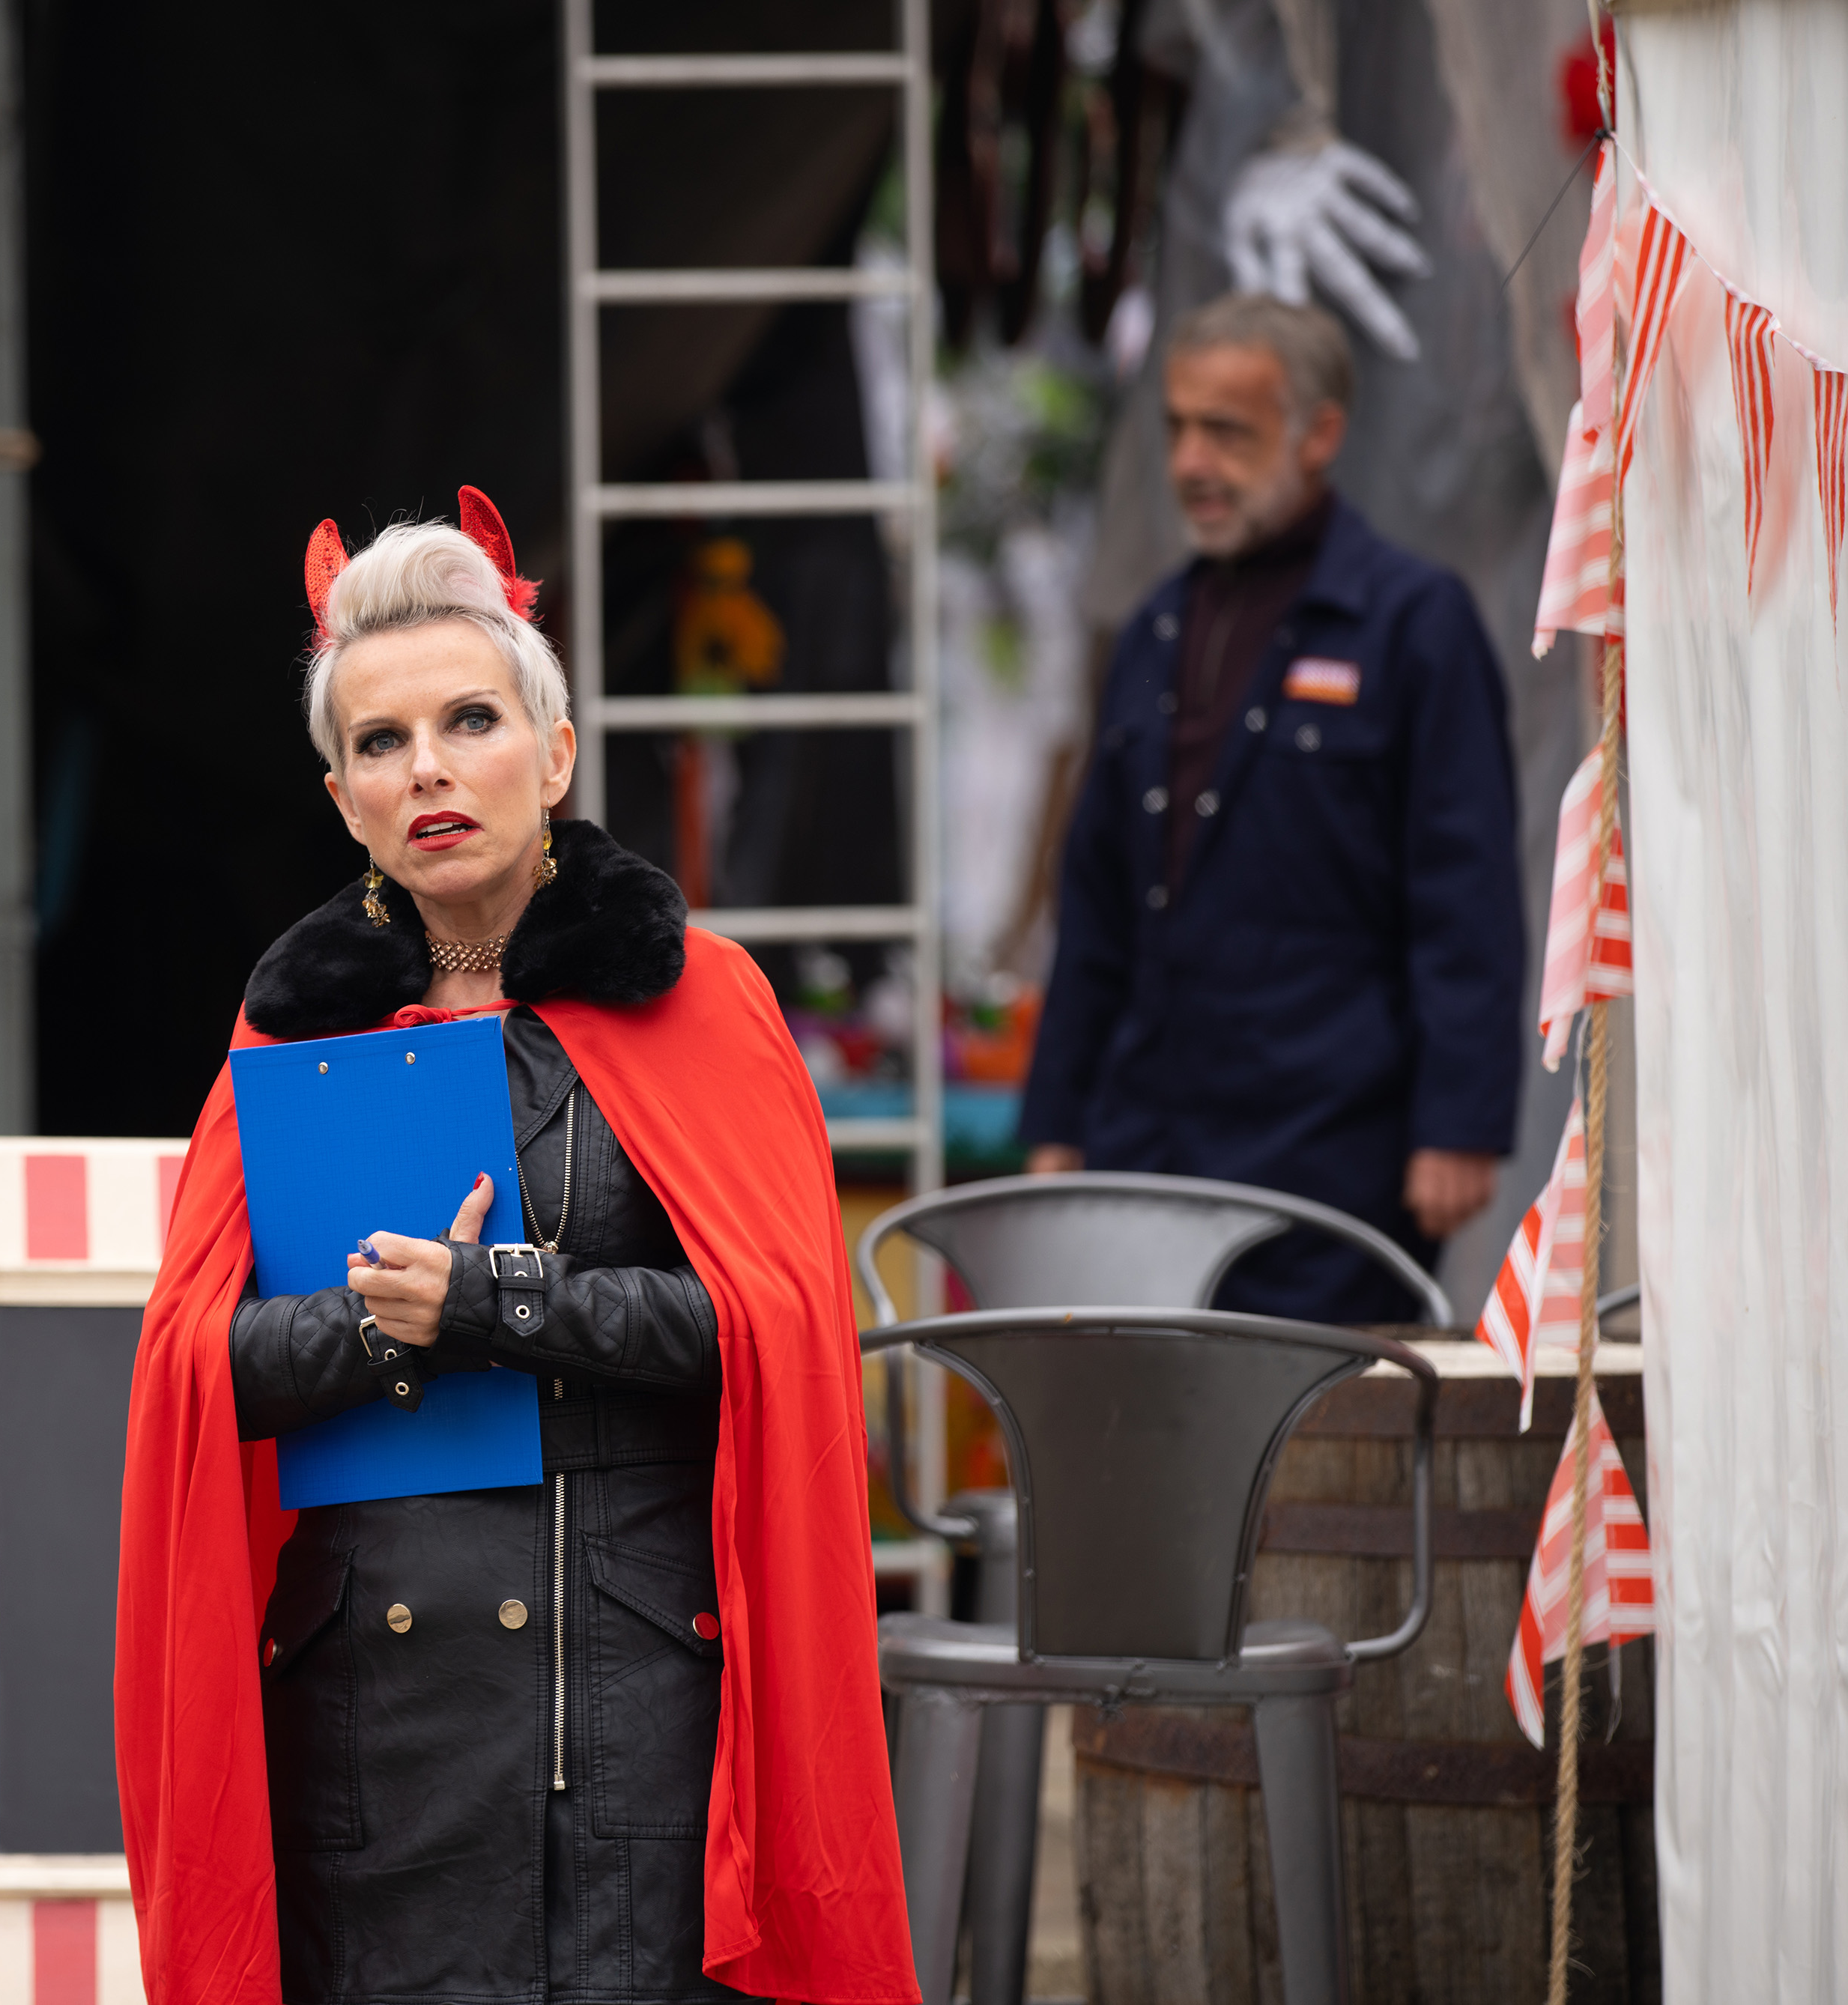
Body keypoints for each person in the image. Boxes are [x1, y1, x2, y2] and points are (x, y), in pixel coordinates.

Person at [115, 492, 914, 2005]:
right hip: (374, 1718)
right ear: (344, 798)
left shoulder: (705, 1001)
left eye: (469, 720)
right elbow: (195, 1370)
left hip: (630, 1697)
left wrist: (501, 1300)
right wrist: (383, 1322)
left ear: (553, 755)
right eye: (381, 741)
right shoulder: (289, 1035)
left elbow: (773, 1327)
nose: (427, 766)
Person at [1021, 294, 1524, 1321]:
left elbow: (1465, 893)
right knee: (1152, 1413)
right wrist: (1057, 1118)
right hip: (1149, 1151)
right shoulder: (1156, 631)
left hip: (1335, 1159)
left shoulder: (1411, 622)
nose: (1192, 462)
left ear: (1319, 435)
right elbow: (1096, 902)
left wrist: (1460, 1125)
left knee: (1327, 1422)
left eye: (1228, 432)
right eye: (1177, 428)